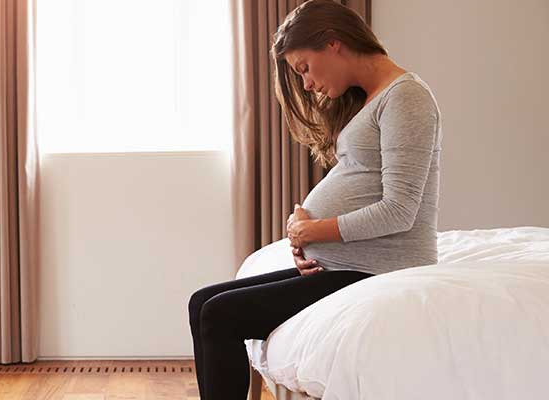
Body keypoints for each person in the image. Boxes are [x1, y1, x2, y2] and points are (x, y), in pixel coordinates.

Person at [187, 0, 443, 398]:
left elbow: (400, 210)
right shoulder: (372, 98)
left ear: (332, 43)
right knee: (201, 302)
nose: (306, 84)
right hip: (345, 262)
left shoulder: (406, 97)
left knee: (219, 315)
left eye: (304, 68)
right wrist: (306, 232)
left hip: (376, 269)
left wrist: (314, 229)